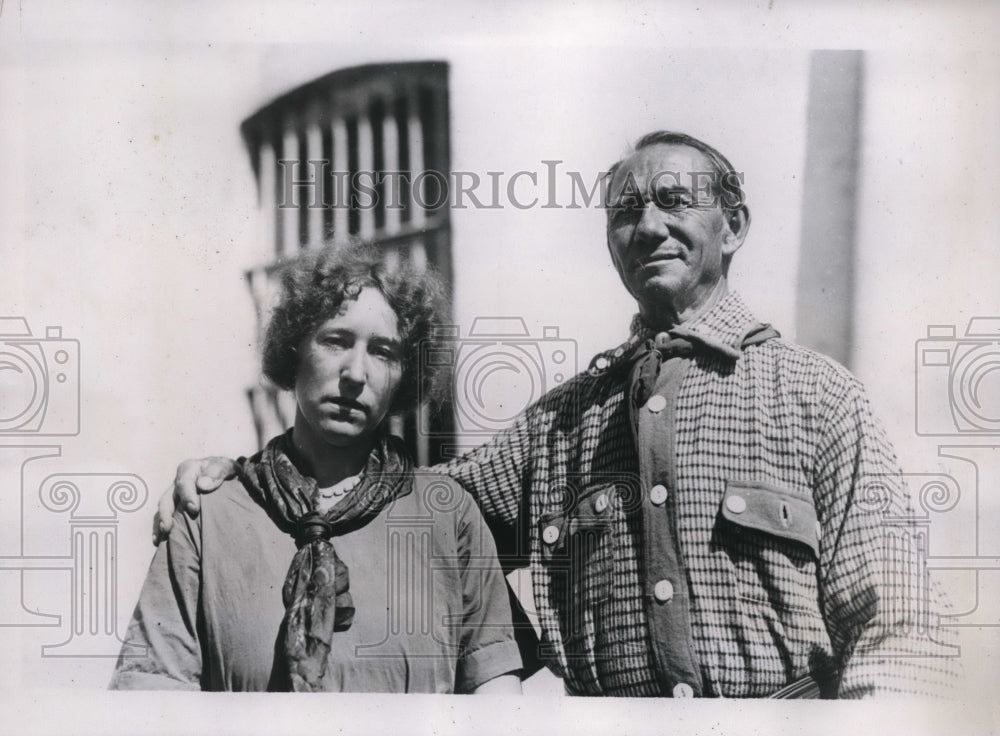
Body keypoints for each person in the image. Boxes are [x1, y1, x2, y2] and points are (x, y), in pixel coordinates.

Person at [155, 131, 961, 698]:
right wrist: (254, 479)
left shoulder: (819, 399)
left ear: (734, 226)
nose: (648, 226)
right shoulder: (561, 426)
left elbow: (900, 631)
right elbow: (410, 509)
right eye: (624, 211)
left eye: (675, 201)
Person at [112, 242, 523, 692]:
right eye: (336, 340)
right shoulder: (206, 516)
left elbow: (497, 699)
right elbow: (152, 699)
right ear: (295, 350)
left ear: (405, 374)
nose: (355, 374)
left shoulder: (450, 516)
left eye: (383, 351)